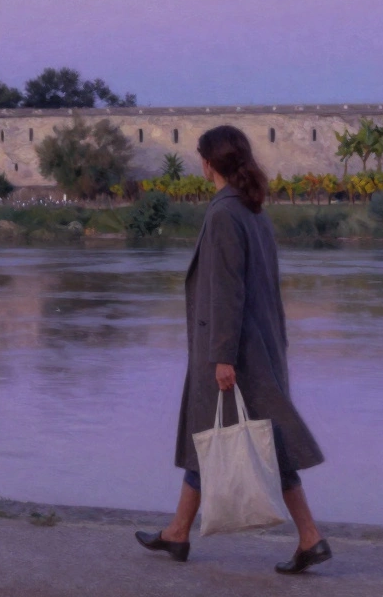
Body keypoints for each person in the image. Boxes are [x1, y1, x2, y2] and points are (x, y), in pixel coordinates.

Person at [136, 125, 331, 575]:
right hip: (259, 344)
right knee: (220, 437)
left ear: (207, 163)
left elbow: (228, 290)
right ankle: (179, 533)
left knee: (255, 441)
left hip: (236, 351)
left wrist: (222, 356)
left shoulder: (225, 213)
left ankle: (309, 536)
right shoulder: (252, 208)